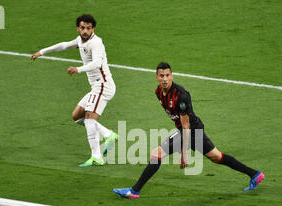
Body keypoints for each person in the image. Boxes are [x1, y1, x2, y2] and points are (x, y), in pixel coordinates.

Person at [113, 62, 264, 198]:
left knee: (157, 153)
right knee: (217, 157)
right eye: (161, 76)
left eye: (167, 75)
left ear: (172, 76)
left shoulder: (181, 96)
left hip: (191, 131)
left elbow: (186, 126)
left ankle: (134, 191)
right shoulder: (158, 92)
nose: (165, 79)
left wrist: (184, 154)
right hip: (190, 130)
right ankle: (254, 174)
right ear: (157, 77)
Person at [31, 14, 118, 167]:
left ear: (93, 29)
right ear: (78, 28)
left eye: (88, 28)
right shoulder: (80, 40)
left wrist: (78, 69)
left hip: (103, 85)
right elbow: (64, 45)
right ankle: (108, 134)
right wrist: (42, 52)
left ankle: (96, 157)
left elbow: (97, 63)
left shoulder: (96, 43)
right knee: (77, 116)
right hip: (96, 87)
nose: (85, 31)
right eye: (83, 28)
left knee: (90, 118)